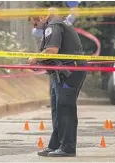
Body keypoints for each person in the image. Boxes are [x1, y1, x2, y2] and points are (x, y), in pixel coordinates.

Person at [28, 6, 87, 157]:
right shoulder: (58, 22)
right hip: (61, 72)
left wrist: (35, 58)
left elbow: (52, 50)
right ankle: (55, 144)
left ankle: (67, 147)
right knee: (57, 109)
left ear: (41, 16)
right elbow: (58, 52)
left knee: (65, 109)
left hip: (69, 73)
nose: (35, 28)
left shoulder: (53, 25)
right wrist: (40, 64)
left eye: (35, 24)